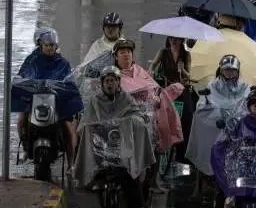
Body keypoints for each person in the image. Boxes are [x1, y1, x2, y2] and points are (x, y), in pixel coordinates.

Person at [74, 66, 154, 208]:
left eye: (112, 80)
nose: (110, 84)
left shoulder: (126, 98)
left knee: (131, 179)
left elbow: (136, 114)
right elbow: (85, 122)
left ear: (118, 82)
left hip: (121, 149)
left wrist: (137, 120)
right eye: (107, 81)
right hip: (99, 149)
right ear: (102, 83)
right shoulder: (95, 100)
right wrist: (87, 128)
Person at [13, 28, 82, 166]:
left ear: (56, 46)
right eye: (47, 45)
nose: (50, 48)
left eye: (52, 45)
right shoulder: (32, 60)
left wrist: (69, 85)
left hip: (57, 101)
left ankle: (71, 164)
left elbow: (70, 80)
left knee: (68, 127)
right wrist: (18, 80)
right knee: (21, 120)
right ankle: (26, 147)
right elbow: (22, 74)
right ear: (41, 45)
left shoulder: (63, 63)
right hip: (34, 99)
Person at [111, 38, 184, 156]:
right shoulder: (113, 75)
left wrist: (157, 97)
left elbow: (153, 88)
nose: (126, 55)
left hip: (150, 108)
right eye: (122, 52)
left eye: (129, 52)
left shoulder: (139, 70)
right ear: (116, 57)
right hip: (128, 113)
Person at [186, 54, 250, 177]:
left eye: (233, 70)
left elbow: (246, 105)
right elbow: (202, 105)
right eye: (227, 69)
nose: (230, 73)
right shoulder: (212, 85)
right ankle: (210, 166)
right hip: (217, 124)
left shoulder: (245, 86)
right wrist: (218, 113)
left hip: (237, 123)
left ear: (237, 71)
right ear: (221, 70)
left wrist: (236, 117)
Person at [149, 36, 194, 161]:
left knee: (188, 115)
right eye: (171, 39)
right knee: (156, 113)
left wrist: (183, 70)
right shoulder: (163, 52)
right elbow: (153, 65)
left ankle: (182, 154)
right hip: (166, 88)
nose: (174, 41)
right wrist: (151, 72)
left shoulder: (186, 55)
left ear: (181, 40)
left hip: (180, 88)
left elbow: (189, 75)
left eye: (177, 39)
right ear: (168, 40)